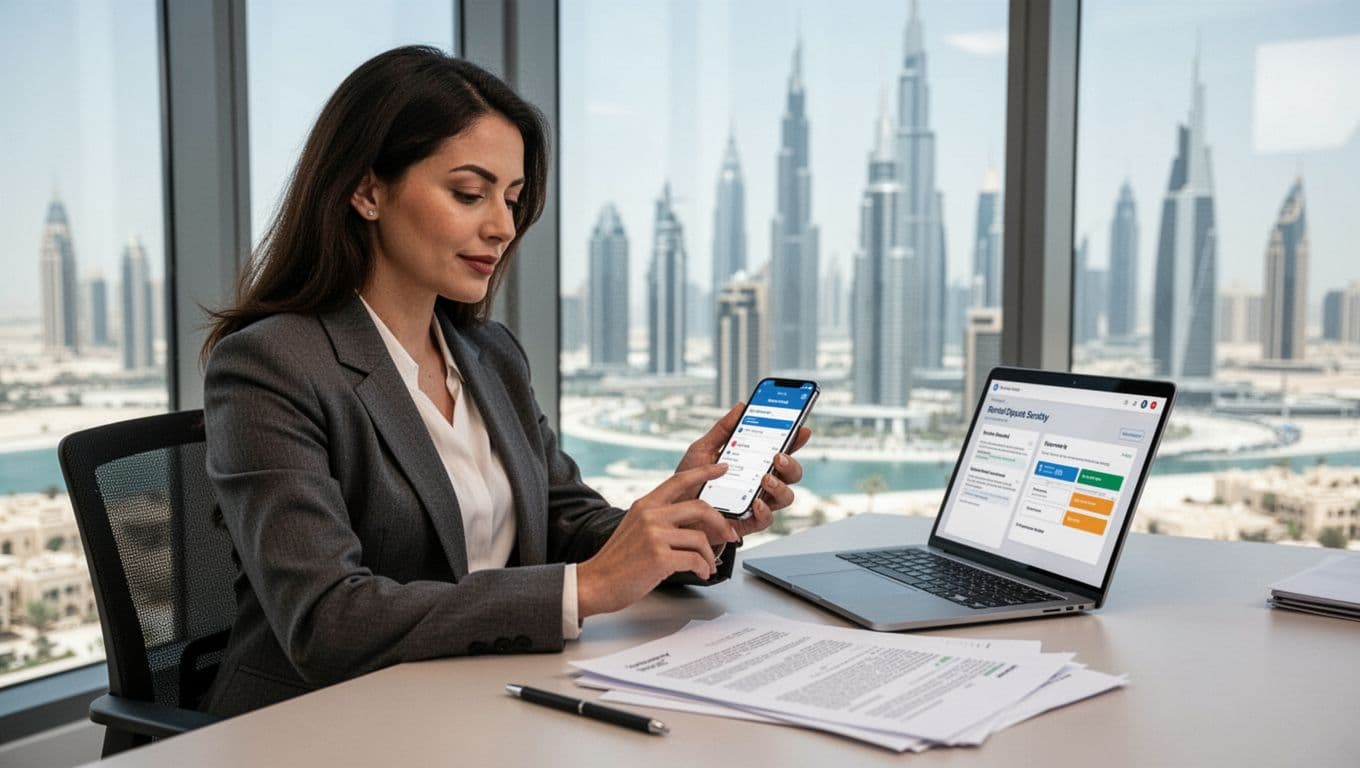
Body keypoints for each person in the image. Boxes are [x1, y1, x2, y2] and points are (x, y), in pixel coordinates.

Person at [198, 46, 810, 717]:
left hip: (484, 699)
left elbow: (563, 519)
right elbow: (326, 620)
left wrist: (683, 517)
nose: (502, 226)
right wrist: (583, 588)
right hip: (323, 724)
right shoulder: (269, 366)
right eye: (469, 194)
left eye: (513, 199)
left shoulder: (490, 356)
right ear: (368, 191)